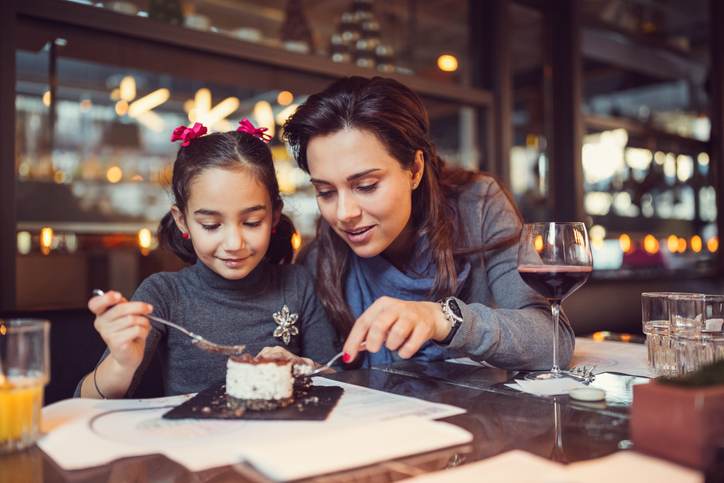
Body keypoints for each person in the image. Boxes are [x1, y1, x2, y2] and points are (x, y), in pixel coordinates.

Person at [282, 76, 575, 369]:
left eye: (367, 185)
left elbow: (552, 340)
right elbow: (329, 372)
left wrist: (443, 318)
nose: (344, 213)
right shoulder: (319, 260)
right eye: (325, 192)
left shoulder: (478, 205)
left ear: (415, 170)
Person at [77, 120, 337, 398]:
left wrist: (303, 368)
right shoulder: (165, 295)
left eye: (251, 222)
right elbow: (84, 401)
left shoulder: (296, 284)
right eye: (211, 225)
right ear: (182, 221)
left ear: (274, 215)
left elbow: (339, 382)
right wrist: (120, 364)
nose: (234, 244)